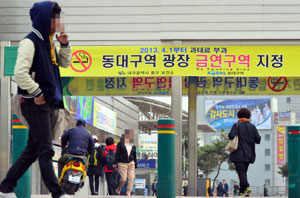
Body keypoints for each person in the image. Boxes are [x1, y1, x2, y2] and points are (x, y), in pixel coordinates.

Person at [0, 2, 71, 198]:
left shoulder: (48, 42)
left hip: (45, 102)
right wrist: (38, 92)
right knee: (46, 150)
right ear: (43, 19)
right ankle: (57, 193)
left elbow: (64, 64)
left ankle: (5, 188)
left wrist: (64, 44)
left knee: (32, 150)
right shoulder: (30, 42)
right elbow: (20, 73)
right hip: (34, 102)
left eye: (58, 19)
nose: (57, 23)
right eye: (54, 19)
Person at [228, 108, 261, 197]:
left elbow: (231, 136)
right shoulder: (252, 126)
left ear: (239, 115)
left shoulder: (237, 125)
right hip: (249, 154)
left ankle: (246, 186)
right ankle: (243, 192)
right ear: (248, 116)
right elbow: (258, 140)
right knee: (243, 173)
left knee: (241, 172)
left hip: (238, 153)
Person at [115, 129, 137, 196]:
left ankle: (128, 193)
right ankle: (118, 188)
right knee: (123, 179)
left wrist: (136, 164)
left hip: (131, 163)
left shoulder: (133, 145)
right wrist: (115, 162)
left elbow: (134, 155)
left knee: (131, 178)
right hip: (122, 163)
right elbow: (117, 154)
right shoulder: (120, 144)